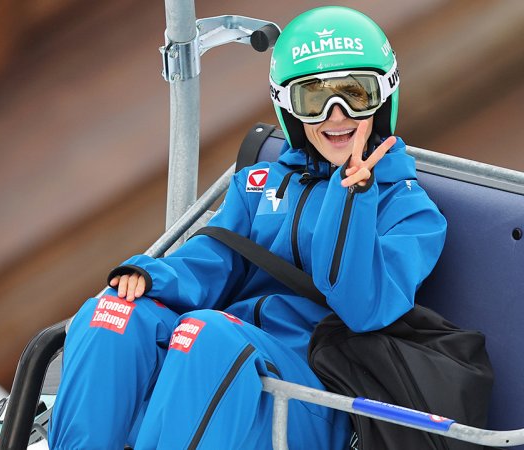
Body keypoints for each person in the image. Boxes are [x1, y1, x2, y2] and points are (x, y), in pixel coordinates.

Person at [48, 6, 447, 449]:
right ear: (289, 109)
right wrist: (152, 275)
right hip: (222, 370)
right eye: (313, 99)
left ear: (385, 98)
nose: (337, 115)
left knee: (208, 334)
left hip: (315, 394)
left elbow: (364, 308)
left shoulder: (410, 212)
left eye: (357, 94)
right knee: (115, 314)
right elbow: (216, 259)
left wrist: (352, 198)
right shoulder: (258, 186)